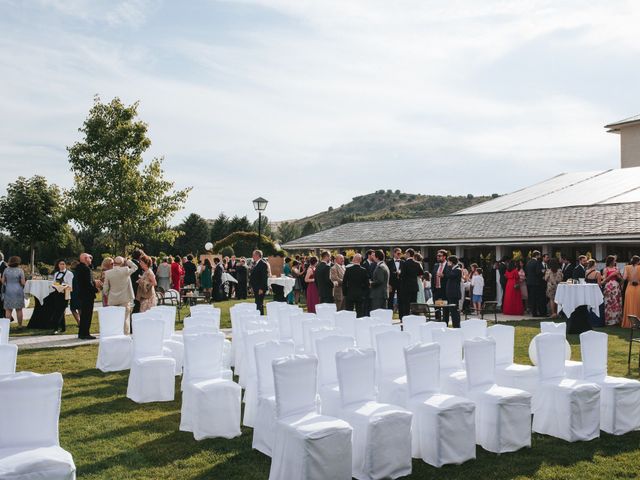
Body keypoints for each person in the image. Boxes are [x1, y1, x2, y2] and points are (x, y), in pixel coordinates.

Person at [103, 256, 138, 334]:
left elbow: (105, 288)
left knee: (114, 319)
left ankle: (115, 334)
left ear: (114, 263)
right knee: (125, 319)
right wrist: (128, 261)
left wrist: (108, 295)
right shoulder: (125, 270)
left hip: (112, 299)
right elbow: (135, 267)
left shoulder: (108, 273)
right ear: (122, 263)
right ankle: (125, 336)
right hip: (125, 299)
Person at [75, 253, 99, 340]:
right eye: (89, 258)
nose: (91, 260)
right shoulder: (86, 269)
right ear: (85, 259)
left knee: (84, 314)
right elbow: (89, 284)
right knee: (87, 315)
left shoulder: (78, 268)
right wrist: (96, 289)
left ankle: (81, 333)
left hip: (81, 294)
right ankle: (85, 333)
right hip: (87, 295)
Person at [398, 248, 423, 318]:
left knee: (406, 304)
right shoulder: (417, 264)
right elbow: (421, 273)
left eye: (405, 253)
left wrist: (399, 273)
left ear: (408, 254)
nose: (405, 255)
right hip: (414, 287)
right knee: (414, 304)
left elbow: (402, 275)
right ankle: (414, 317)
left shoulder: (404, 263)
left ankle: (406, 318)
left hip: (405, 287)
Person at [51, 259, 74, 334]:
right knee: (58, 309)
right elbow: (54, 283)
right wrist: (56, 286)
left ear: (66, 265)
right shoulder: (56, 273)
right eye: (60, 264)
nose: (62, 265)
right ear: (58, 265)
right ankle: (63, 327)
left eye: (63, 264)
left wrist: (63, 286)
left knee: (60, 311)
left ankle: (55, 328)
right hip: (57, 293)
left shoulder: (69, 274)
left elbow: (70, 285)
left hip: (65, 294)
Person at [2, 256, 26, 328]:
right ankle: (20, 325)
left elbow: (3, 281)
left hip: (8, 290)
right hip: (18, 290)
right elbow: (23, 283)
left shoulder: (6, 270)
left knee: (8, 310)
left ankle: (7, 326)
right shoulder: (20, 270)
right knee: (19, 309)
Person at [602, 255, 622, 326]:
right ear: (610, 261)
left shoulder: (617, 268)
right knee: (609, 303)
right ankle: (609, 320)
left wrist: (618, 275)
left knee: (616, 303)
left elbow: (621, 279)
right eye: (614, 261)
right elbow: (604, 280)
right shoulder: (606, 269)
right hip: (608, 287)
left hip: (616, 287)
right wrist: (611, 275)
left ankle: (617, 320)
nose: (615, 262)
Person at [432, 250, 451, 323]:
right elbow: (433, 278)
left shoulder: (448, 265)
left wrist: (444, 276)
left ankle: (445, 323)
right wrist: (432, 288)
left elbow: (450, 276)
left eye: (439, 256)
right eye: (437, 256)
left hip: (444, 290)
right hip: (436, 290)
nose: (438, 257)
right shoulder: (436, 265)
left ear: (444, 257)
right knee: (437, 308)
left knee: (445, 308)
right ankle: (438, 322)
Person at [585, 259, 604, 327]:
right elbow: (599, 284)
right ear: (594, 264)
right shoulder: (597, 273)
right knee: (598, 305)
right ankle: (597, 322)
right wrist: (604, 281)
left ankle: (590, 321)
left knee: (590, 306)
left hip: (589, 291)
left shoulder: (586, 271)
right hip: (596, 291)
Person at [622, 256, 640, 328]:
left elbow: (624, 278)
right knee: (637, 304)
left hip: (629, 288)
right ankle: (637, 323)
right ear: (638, 261)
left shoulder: (627, 267)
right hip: (638, 287)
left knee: (629, 304)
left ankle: (629, 323)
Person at [445, 255, 462, 327]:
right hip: (451, 293)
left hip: (454, 293)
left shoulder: (457, 270)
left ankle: (456, 326)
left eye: (448, 261)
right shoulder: (453, 269)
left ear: (452, 262)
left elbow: (449, 275)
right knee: (452, 310)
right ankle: (455, 325)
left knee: (454, 311)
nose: (447, 263)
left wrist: (448, 267)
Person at [249, 250, 269, 315]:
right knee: (257, 303)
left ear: (257, 255)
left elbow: (264, 278)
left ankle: (261, 317)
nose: (252, 256)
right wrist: (251, 286)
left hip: (260, 288)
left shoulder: (263, 264)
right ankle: (259, 316)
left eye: (253, 255)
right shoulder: (255, 263)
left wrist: (261, 288)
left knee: (259, 303)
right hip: (255, 287)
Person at [525, 251, 544, 317]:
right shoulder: (537, 262)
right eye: (539, 255)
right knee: (537, 298)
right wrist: (543, 272)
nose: (540, 256)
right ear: (536, 255)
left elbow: (527, 272)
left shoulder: (528, 262)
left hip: (529, 282)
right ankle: (537, 312)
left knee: (532, 298)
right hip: (536, 283)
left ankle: (533, 312)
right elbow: (538, 272)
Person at [130, 249, 143, 314]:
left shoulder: (130, 262)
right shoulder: (138, 264)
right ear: (139, 256)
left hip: (130, 283)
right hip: (136, 284)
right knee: (137, 301)